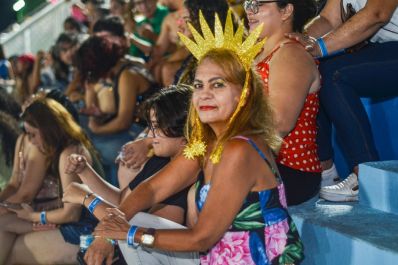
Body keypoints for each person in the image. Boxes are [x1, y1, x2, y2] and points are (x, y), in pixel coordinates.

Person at [92, 11, 304, 265]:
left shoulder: (240, 149)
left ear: (244, 93)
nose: (204, 94)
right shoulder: (207, 145)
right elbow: (151, 189)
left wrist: (130, 234)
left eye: (218, 85)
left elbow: (201, 238)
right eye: (199, 85)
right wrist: (107, 233)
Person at [62, 85, 194, 264]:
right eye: (149, 127)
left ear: (183, 132)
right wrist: (85, 172)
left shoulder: (189, 174)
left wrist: (87, 198)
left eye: (156, 127)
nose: (150, 135)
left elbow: (147, 230)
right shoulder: (159, 161)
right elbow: (123, 203)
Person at [287, 0, 398, 201]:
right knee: (313, 69)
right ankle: (325, 171)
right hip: (386, 48)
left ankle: (365, 175)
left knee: (334, 75)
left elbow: (377, 14)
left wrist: (319, 47)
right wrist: (301, 42)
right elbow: (329, 18)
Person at [118, 0, 230, 171]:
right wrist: (147, 137)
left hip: (196, 143)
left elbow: (189, 116)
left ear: (203, 22)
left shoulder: (217, 62)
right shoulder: (191, 55)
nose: (178, 24)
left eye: (184, 19)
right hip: (176, 133)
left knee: (130, 168)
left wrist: (148, 141)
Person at [0, 98, 102, 264]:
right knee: (2, 225)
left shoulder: (68, 154)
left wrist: (35, 217)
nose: (31, 141)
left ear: (47, 129)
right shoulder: (61, 149)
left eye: (33, 135)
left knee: (11, 252)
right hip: (62, 221)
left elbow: (72, 214)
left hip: (81, 230)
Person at [244, 0, 321, 205]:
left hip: (291, 169)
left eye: (259, 3)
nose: (250, 10)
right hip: (257, 157)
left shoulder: (290, 54)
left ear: (286, 10)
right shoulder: (256, 53)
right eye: (248, 3)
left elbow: (278, 125)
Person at [75, 32, 159, 186]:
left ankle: (114, 194)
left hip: (148, 130)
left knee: (93, 149)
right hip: (139, 127)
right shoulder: (123, 67)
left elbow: (123, 122)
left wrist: (97, 129)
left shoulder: (127, 75)